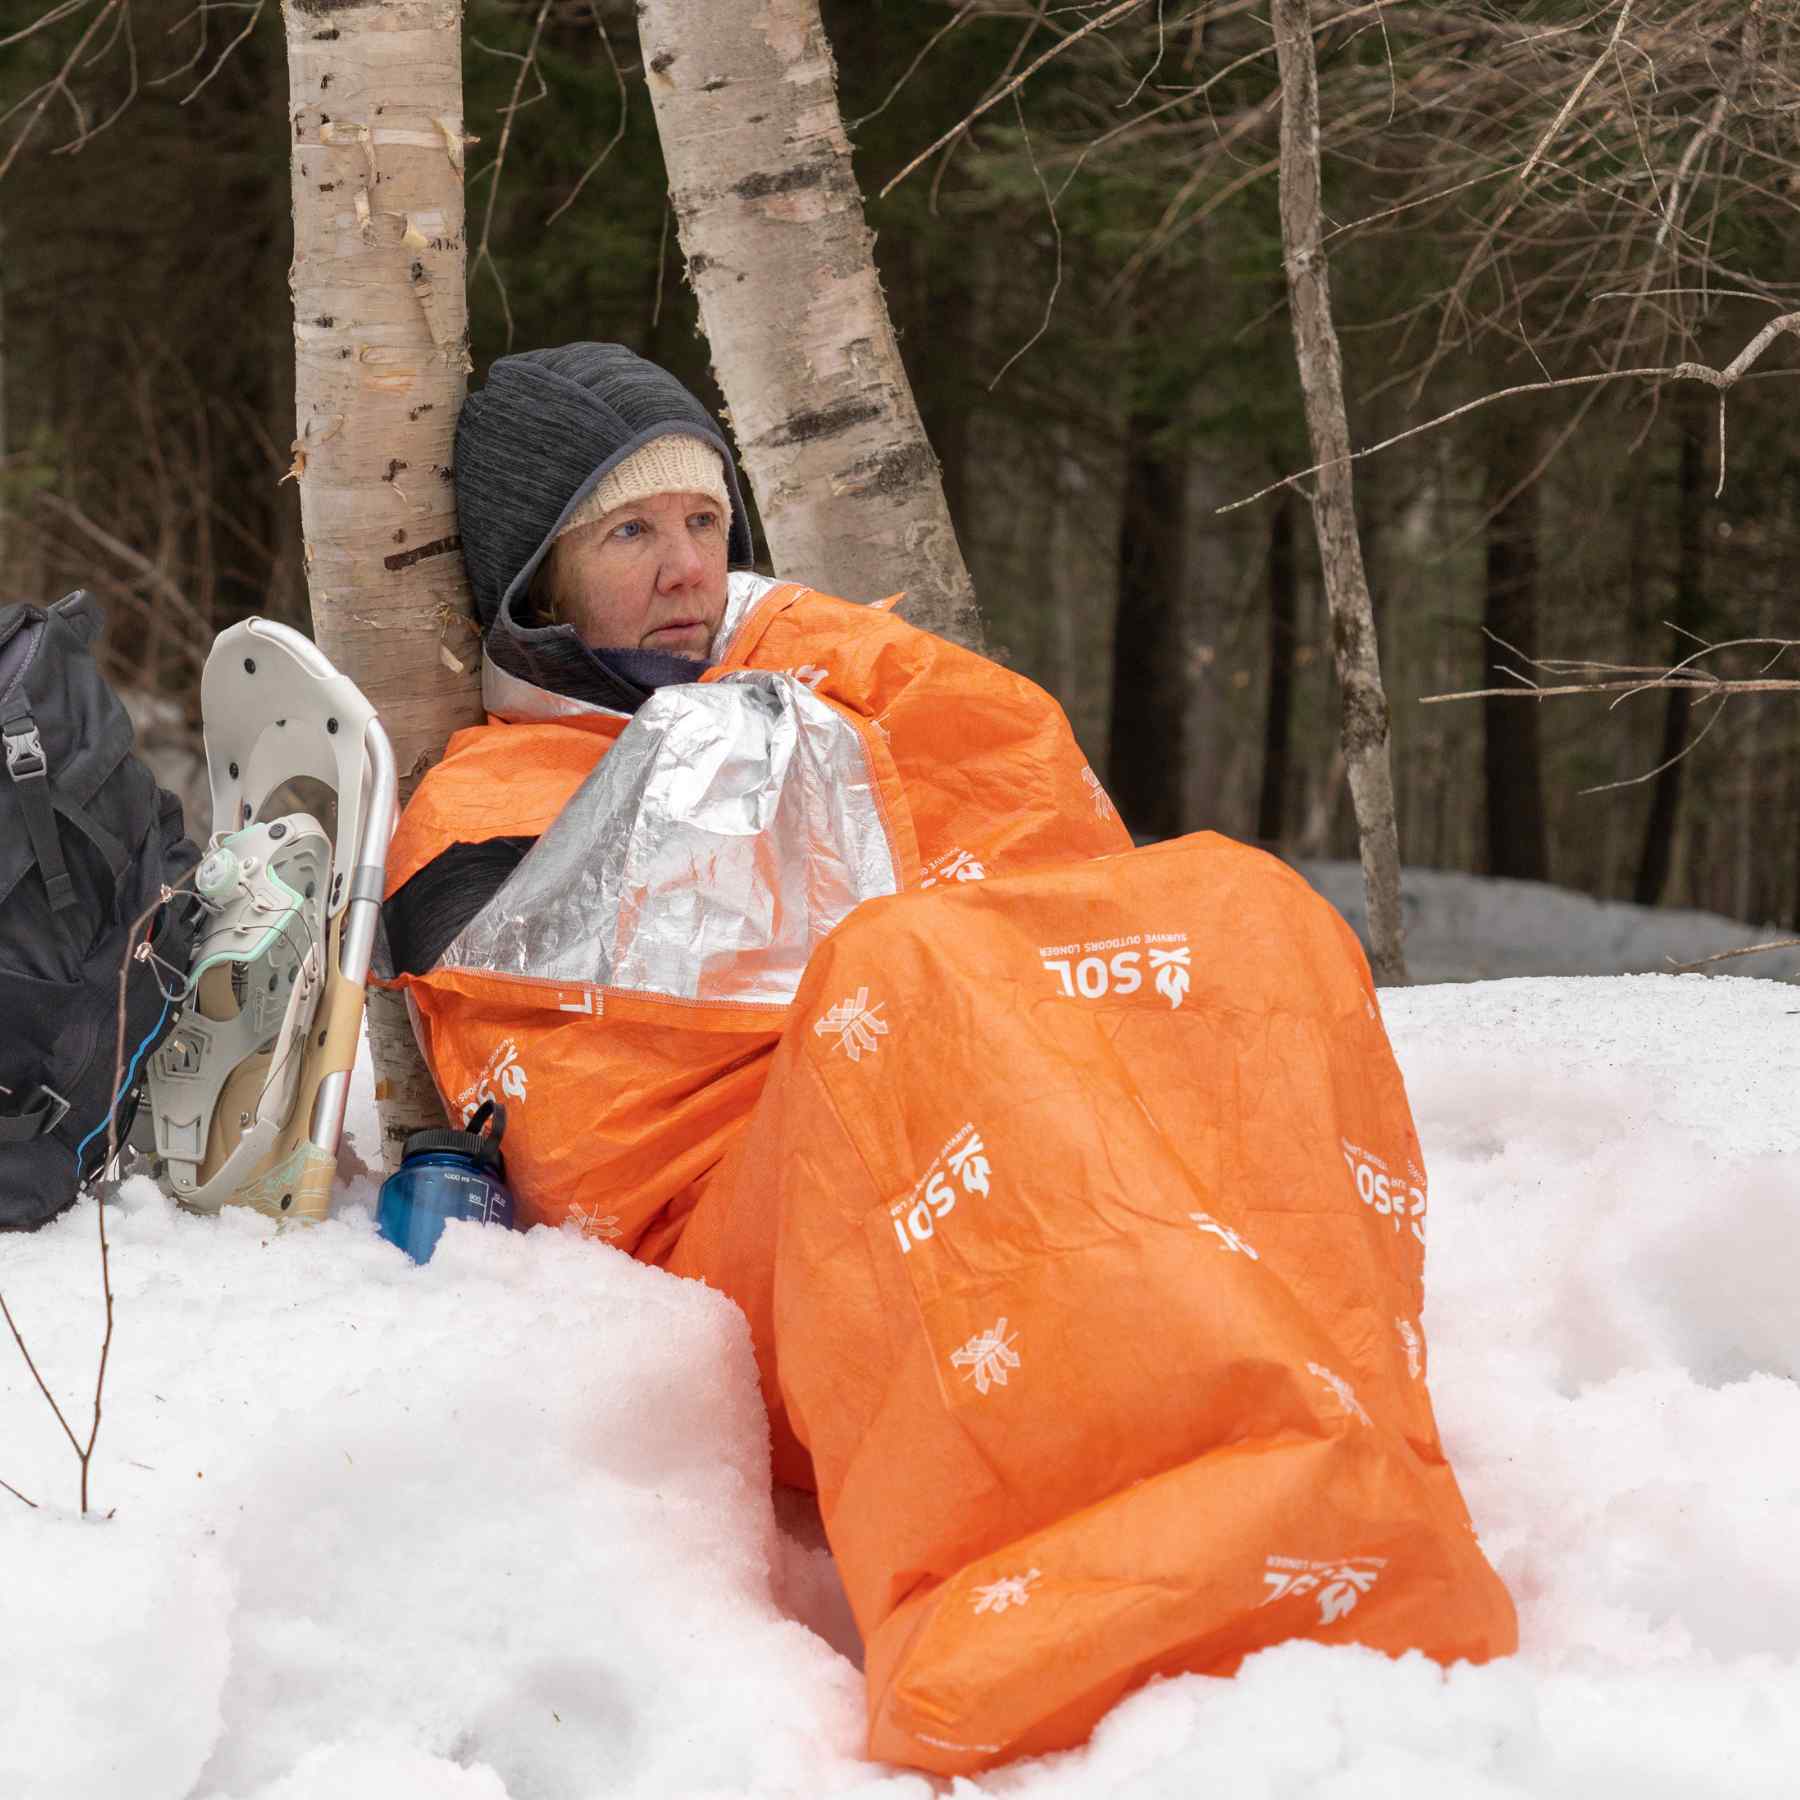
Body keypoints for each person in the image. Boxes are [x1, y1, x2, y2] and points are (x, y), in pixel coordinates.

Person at [379, 342, 1515, 1778]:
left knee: (1245, 907)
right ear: (537, 580)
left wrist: (805, 639)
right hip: (760, 1247)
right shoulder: (487, 798)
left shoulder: (799, 696)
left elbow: (1043, 818)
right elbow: (671, 1041)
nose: (685, 570)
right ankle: (1055, 1597)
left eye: (708, 526)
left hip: (947, 1139)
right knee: (909, 970)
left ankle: (1334, 1460)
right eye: (629, 532)